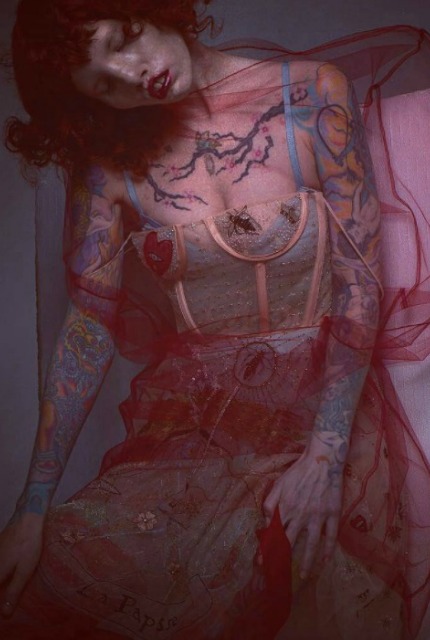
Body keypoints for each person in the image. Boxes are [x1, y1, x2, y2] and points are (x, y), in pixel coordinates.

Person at [1, 0, 430, 638]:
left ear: (148, 8)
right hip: (194, 424)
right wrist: (31, 507)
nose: (131, 73)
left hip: (325, 413)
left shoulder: (313, 95)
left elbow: (358, 280)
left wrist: (325, 457)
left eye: (123, 39)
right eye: (103, 87)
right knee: (50, 577)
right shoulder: (109, 161)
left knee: (288, 566)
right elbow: (88, 329)